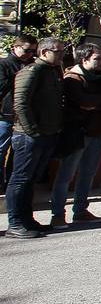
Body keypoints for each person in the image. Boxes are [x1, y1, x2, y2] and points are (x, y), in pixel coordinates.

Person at [5, 38, 65, 238]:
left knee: (31, 181)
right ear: (44, 52)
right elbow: (20, 103)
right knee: (20, 180)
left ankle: (27, 220)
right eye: (57, 51)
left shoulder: (53, 72)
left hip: (47, 135)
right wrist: (32, 131)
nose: (61, 55)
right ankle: (15, 223)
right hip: (28, 137)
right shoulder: (32, 71)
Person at [51, 42, 101, 225]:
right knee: (66, 175)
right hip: (76, 132)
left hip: (96, 131)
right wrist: (99, 101)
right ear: (84, 59)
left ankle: (80, 210)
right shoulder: (72, 78)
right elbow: (82, 101)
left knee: (88, 173)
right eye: (98, 58)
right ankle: (57, 213)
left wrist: (95, 102)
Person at [0, 34, 38, 192]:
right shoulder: (4, 65)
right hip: (6, 116)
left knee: (18, 155)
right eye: (27, 50)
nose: (30, 54)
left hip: (25, 118)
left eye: (33, 52)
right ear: (15, 47)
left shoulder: (33, 65)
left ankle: (10, 185)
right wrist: (21, 76)